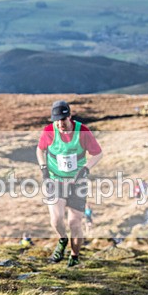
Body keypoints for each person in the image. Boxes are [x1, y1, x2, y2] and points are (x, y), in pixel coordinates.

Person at [36, 100, 103, 267]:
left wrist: (85, 169)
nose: (60, 124)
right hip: (55, 180)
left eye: (63, 120)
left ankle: (74, 256)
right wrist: (44, 168)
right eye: (56, 120)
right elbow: (40, 149)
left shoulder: (83, 131)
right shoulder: (49, 131)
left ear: (70, 117)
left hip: (77, 183)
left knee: (75, 223)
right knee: (56, 219)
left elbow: (98, 154)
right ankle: (62, 239)